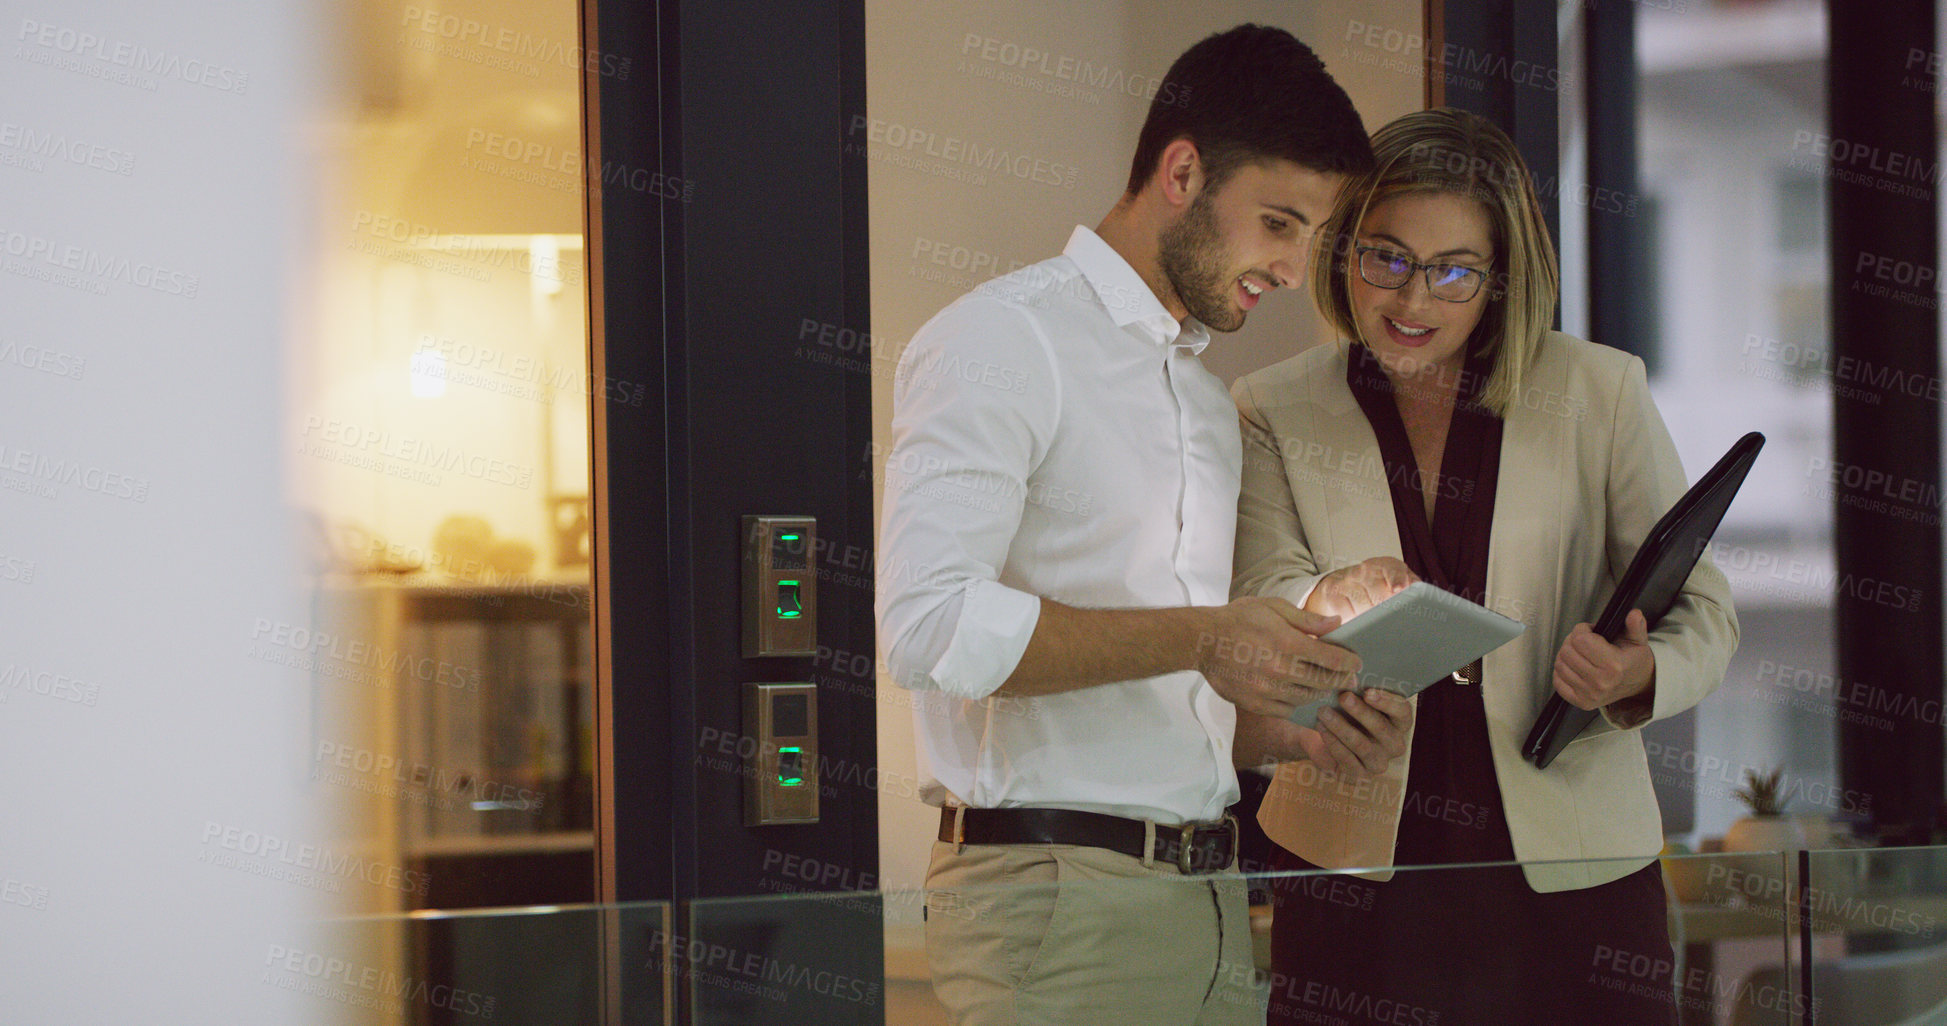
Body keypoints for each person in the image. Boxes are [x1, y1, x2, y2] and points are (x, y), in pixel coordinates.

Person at [876, 24, 1414, 1026]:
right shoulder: (1001, 339)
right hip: (1050, 900)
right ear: (1181, 172)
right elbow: (930, 627)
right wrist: (1211, 635)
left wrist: (1299, 726)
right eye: (1279, 223)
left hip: (1205, 896)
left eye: (1310, 238)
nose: (1295, 270)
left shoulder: (1206, 404)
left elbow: (1168, 701)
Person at [1230, 107, 1739, 1025]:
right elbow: (1254, 594)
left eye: (1452, 272)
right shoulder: (1275, 404)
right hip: (1350, 867)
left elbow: (1703, 607)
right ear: (1341, 248)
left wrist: (1635, 672)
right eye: (1383, 256)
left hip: (1571, 872)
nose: (1410, 300)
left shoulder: (1599, 390)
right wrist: (1323, 594)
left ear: (1502, 279)